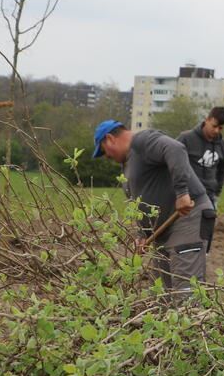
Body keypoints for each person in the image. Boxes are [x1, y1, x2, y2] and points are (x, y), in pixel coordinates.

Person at [93, 120, 216, 296]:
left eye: (104, 151)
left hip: (186, 217)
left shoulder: (143, 141)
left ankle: (194, 320)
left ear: (110, 138)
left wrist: (182, 192)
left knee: (186, 292)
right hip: (162, 232)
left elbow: (175, 149)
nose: (107, 157)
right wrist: (143, 235)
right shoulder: (128, 164)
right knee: (161, 294)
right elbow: (140, 201)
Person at [177, 107, 224, 211]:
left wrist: (217, 192)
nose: (216, 130)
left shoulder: (222, 146)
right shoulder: (186, 138)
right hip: (187, 196)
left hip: (210, 197)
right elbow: (174, 163)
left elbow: (221, 171)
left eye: (220, 128)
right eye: (214, 126)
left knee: (207, 226)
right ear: (207, 120)